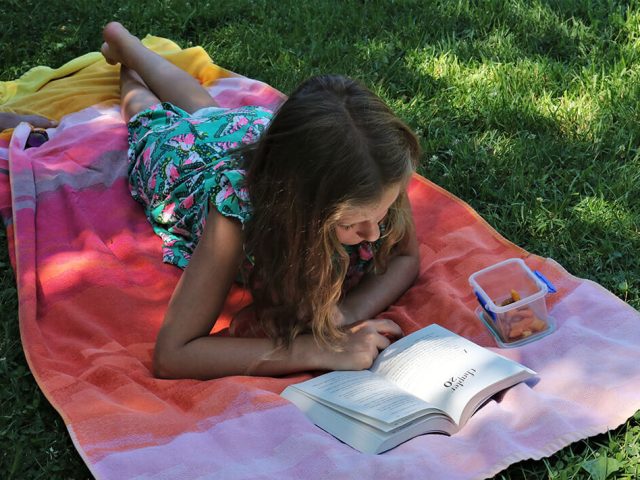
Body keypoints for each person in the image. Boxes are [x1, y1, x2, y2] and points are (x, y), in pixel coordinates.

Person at [101, 22, 421, 380]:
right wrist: (318, 348)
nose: (375, 234)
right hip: (182, 166)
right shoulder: (236, 214)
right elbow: (173, 354)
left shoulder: (374, 173)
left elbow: (406, 257)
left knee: (209, 111)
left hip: (243, 131)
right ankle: (127, 61)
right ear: (296, 208)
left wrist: (343, 314)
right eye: (349, 225)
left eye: (382, 213)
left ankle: (127, 45)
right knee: (153, 120)